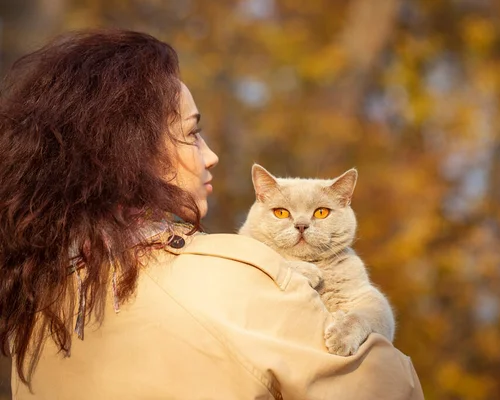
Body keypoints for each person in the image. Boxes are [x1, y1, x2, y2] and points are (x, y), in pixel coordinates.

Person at [0, 29, 424, 399]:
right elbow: (390, 390)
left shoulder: (37, 309)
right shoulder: (233, 279)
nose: (213, 155)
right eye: (192, 134)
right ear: (130, 154)